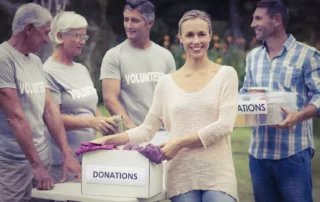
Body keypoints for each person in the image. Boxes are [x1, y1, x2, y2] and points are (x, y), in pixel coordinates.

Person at [93, 9, 239, 202]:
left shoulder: (226, 74)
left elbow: (224, 125)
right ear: (180, 38)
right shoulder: (166, 82)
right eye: (189, 35)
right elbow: (146, 130)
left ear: (210, 36)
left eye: (202, 34)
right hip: (180, 175)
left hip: (218, 173)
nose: (196, 41)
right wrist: (107, 141)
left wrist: (178, 143)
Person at [239, 0, 320, 202]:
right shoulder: (253, 57)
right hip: (258, 154)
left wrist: (298, 116)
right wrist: (242, 103)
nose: (252, 24)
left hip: (292, 153)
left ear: (277, 20)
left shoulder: (307, 55)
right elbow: (244, 93)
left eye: (258, 18)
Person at [0, 3, 81, 202]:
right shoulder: (3, 59)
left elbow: (49, 108)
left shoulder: (35, 61)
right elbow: (15, 118)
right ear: (28, 29)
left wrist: (66, 153)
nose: (47, 40)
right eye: (45, 33)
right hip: (14, 164)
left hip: (41, 160)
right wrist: (35, 166)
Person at [44, 11, 117, 183]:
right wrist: (90, 122)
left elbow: (91, 107)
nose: (82, 41)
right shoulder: (47, 72)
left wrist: (105, 124)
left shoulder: (81, 69)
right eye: (77, 36)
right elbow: (51, 119)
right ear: (60, 36)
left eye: (84, 36)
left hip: (89, 155)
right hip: (63, 159)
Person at [100, 0, 176, 129]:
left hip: (163, 133)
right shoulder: (114, 56)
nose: (128, 25)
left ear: (149, 23)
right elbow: (109, 99)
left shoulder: (165, 56)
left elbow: (172, 96)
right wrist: (133, 129)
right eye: (126, 20)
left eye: (135, 21)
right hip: (130, 135)